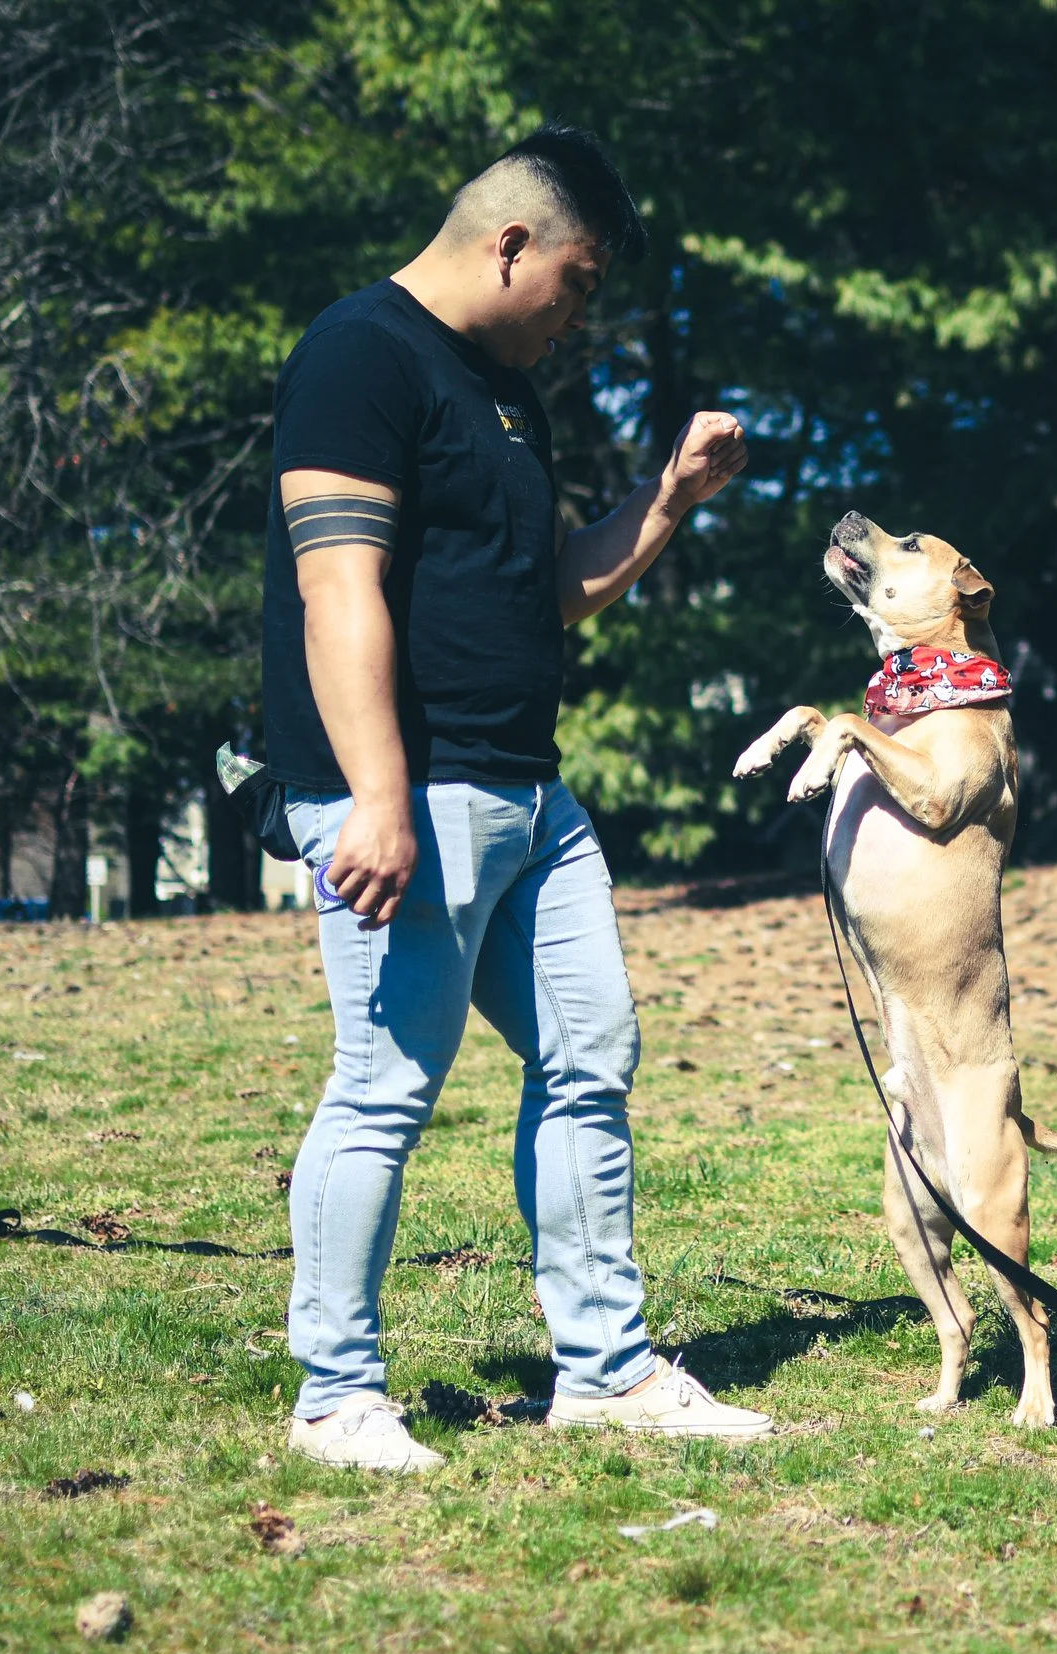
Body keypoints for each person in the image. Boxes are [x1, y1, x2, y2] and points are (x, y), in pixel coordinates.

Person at [261, 124, 770, 1472]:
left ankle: (602, 1371)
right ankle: (334, 1397)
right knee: (386, 1088)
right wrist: (376, 794)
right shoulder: (358, 357)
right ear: (511, 245)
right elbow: (336, 586)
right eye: (581, 281)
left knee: (590, 1059)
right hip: (409, 804)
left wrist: (668, 498)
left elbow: (553, 590)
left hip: (532, 801)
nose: (580, 314)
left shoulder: (502, 394)